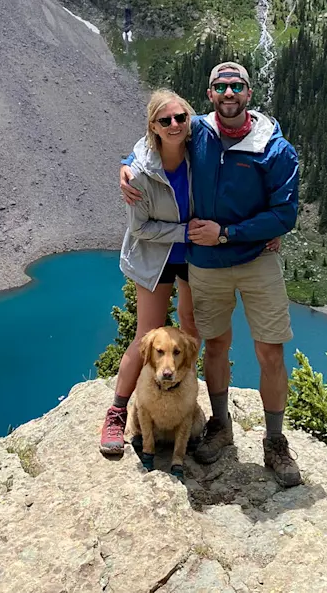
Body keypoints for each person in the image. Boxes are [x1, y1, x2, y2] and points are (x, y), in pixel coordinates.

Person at [120, 62, 302, 487]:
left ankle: (275, 442)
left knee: (270, 351)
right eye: (221, 87)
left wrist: (227, 234)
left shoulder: (275, 148)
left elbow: (285, 214)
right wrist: (126, 165)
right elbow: (155, 138)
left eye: (237, 86)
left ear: (249, 93)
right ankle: (220, 425)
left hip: (255, 259)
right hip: (208, 266)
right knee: (215, 346)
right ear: (210, 94)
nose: (229, 93)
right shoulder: (197, 129)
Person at [99, 89, 200, 456]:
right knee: (146, 334)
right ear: (152, 127)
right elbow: (140, 228)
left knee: (189, 330)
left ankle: (183, 401)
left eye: (180, 118)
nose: (174, 125)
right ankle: (117, 412)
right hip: (154, 255)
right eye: (164, 121)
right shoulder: (140, 171)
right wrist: (186, 231)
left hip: (192, 255)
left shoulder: (198, 142)